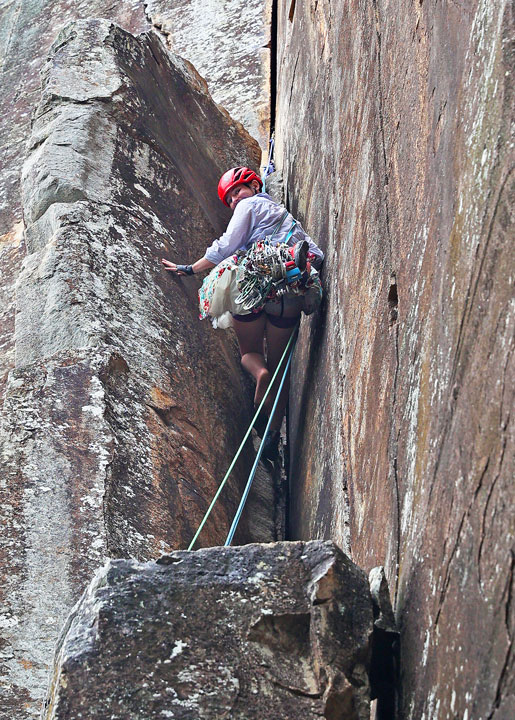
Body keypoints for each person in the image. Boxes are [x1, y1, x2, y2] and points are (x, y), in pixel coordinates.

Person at [162, 166, 324, 460]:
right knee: (280, 368)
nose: (235, 201)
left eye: (236, 192)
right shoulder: (286, 218)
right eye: (231, 200)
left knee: (249, 352)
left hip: (251, 291)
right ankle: (273, 435)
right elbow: (317, 255)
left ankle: (257, 373)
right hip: (286, 293)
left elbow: (227, 245)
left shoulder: (249, 206)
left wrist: (190, 268)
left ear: (253, 184)